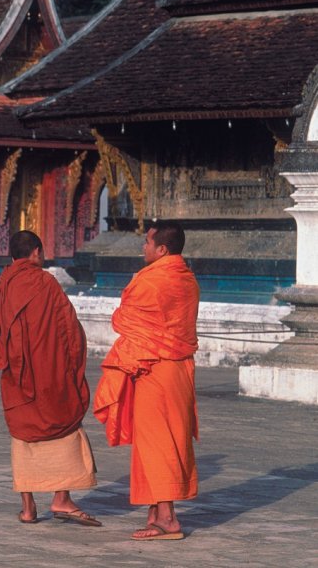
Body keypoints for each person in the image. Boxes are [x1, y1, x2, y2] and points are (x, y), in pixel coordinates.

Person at [94, 221, 199, 541]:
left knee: (158, 443)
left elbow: (124, 318)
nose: (144, 247)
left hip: (154, 369)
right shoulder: (188, 280)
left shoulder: (152, 281)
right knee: (164, 439)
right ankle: (156, 511)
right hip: (178, 369)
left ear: (162, 249)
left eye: (147, 243)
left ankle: (168, 518)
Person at [0, 230, 100, 527]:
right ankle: (61, 498)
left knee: (23, 437)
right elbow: (69, 328)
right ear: (36, 253)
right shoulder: (46, 283)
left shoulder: (4, 284)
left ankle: (28, 508)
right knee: (64, 428)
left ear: (13, 256)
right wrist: (69, 363)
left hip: (17, 375)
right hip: (50, 373)